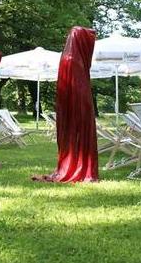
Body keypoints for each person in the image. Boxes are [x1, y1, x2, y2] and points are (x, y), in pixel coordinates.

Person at [32, 26, 98, 182]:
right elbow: (79, 88)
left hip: (71, 106)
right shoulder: (74, 60)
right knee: (80, 131)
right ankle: (80, 167)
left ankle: (73, 164)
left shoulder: (67, 57)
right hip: (79, 105)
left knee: (73, 132)